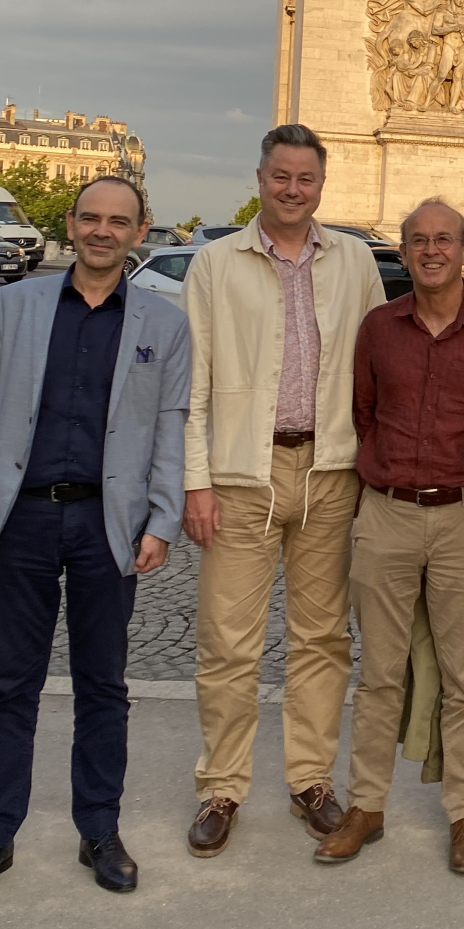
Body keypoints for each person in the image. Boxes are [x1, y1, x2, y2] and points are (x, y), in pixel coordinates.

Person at [0, 178, 190, 903]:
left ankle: (100, 829)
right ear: (71, 225)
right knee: (10, 687)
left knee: (103, 686)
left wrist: (162, 521)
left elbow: (171, 430)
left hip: (106, 524)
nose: (103, 231)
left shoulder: (163, 325)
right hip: (17, 518)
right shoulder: (14, 308)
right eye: (91, 218)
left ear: (141, 232)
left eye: (119, 221)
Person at [182, 125, 385, 858]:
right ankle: (222, 786)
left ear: (321, 187)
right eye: (281, 177)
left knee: (323, 639)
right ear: (260, 179)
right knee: (227, 643)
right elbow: (193, 383)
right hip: (242, 476)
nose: (292, 189)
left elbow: (371, 377)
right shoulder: (212, 264)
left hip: (331, 473)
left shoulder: (356, 260)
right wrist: (194, 481)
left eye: (306, 179)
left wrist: (369, 474)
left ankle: (310, 779)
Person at [315, 199, 464, 872]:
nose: (431, 250)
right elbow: (364, 412)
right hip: (387, 512)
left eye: (443, 240)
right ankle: (366, 805)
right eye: (418, 241)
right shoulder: (378, 329)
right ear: (403, 254)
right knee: (379, 675)